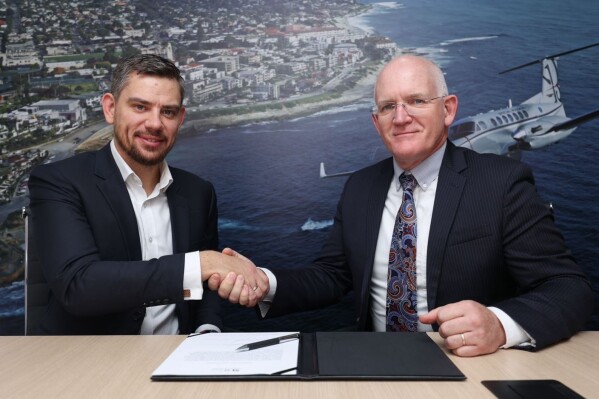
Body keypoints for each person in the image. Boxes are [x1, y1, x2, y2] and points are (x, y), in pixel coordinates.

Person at [214, 55, 594, 357]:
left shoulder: (502, 183)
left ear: (448, 109)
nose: (401, 117)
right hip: (375, 365)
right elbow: (333, 276)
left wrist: (499, 325)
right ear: (376, 122)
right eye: (387, 107)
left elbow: (568, 288)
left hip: (469, 368)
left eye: (416, 101)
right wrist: (266, 283)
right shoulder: (360, 187)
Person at [28, 54, 266, 335]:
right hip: (88, 366)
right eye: (141, 107)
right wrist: (202, 262)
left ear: (180, 119)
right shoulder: (58, 181)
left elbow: (206, 287)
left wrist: (207, 331)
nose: (155, 123)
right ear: (110, 108)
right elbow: (78, 286)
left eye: (168, 112)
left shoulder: (199, 192)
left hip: (178, 360)